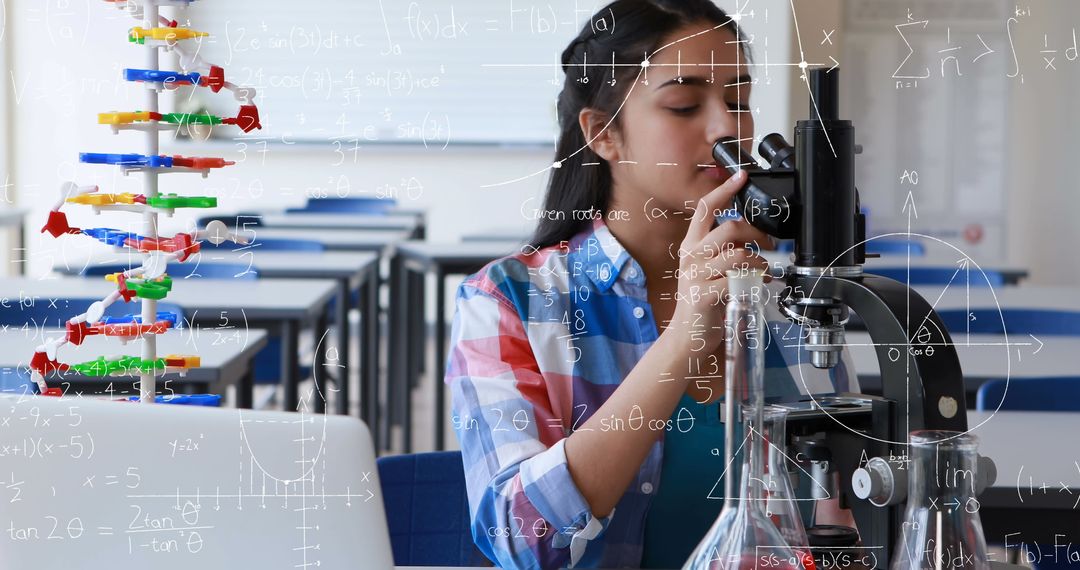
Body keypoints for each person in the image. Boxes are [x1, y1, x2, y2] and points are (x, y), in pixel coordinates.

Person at [445, 1, 855, 567]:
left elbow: (843, 523)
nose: (727, 127)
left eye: (739, 100)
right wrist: (683, 339)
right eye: (684, 105)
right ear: (604, 135)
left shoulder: (793, 300)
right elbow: (522, 539)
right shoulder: (507, 302)